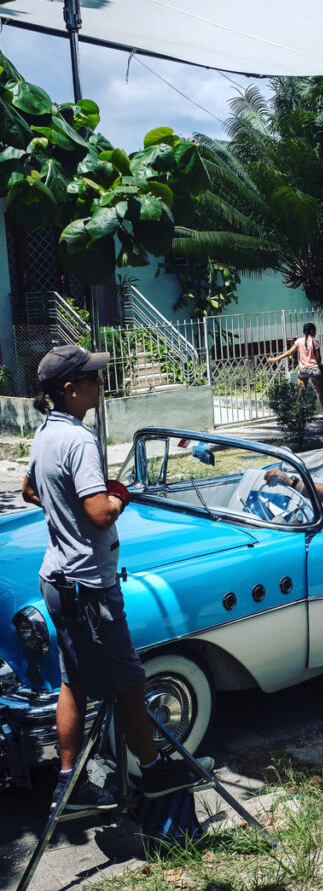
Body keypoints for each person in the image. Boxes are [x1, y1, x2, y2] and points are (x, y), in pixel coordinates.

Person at [22, 345, 210, 811]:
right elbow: (100, 513)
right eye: (92, 377)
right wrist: (119, 495)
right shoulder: (80, 441)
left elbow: (29, 490)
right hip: (90, 587)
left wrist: (65, 508)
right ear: (71, 390)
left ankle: (71, 783)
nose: (100, 383)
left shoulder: (45, 432)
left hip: (57, 578)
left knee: (73, 682)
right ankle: (152, 771)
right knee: (129, 681)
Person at [266, 321, 323, 418]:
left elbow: (289, 352)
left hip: (303, 370)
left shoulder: (299, 341)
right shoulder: (315, 341)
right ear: (311, 330)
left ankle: (298, 414)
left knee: (301, 394)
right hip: (314, 369)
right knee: (320, 392)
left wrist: (274, 359)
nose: (315, 331)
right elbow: (319, 358)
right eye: (314, 330)